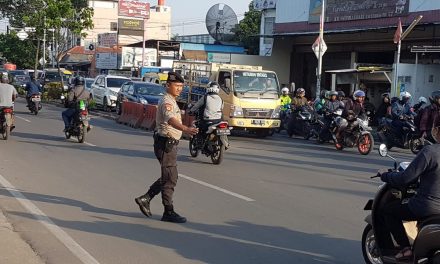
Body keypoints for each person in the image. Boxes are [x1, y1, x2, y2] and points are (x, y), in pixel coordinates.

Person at [135, 72, 198, 224]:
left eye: (181, 86)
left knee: (170, 176)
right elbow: (170, 120)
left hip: (169, 143)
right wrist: (185, 129)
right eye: (176, 86)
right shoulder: (166, 101)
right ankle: (168, 211)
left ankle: (146, 198)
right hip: (165, 143)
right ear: (168, 85)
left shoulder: (172, 100)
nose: (179, 89)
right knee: (170, 177)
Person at [378, 144, 440, 260]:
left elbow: (405, 178)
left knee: (389, 211)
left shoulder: (431, 151)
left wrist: (385, 175)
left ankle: (405, 249)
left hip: (427, 206)